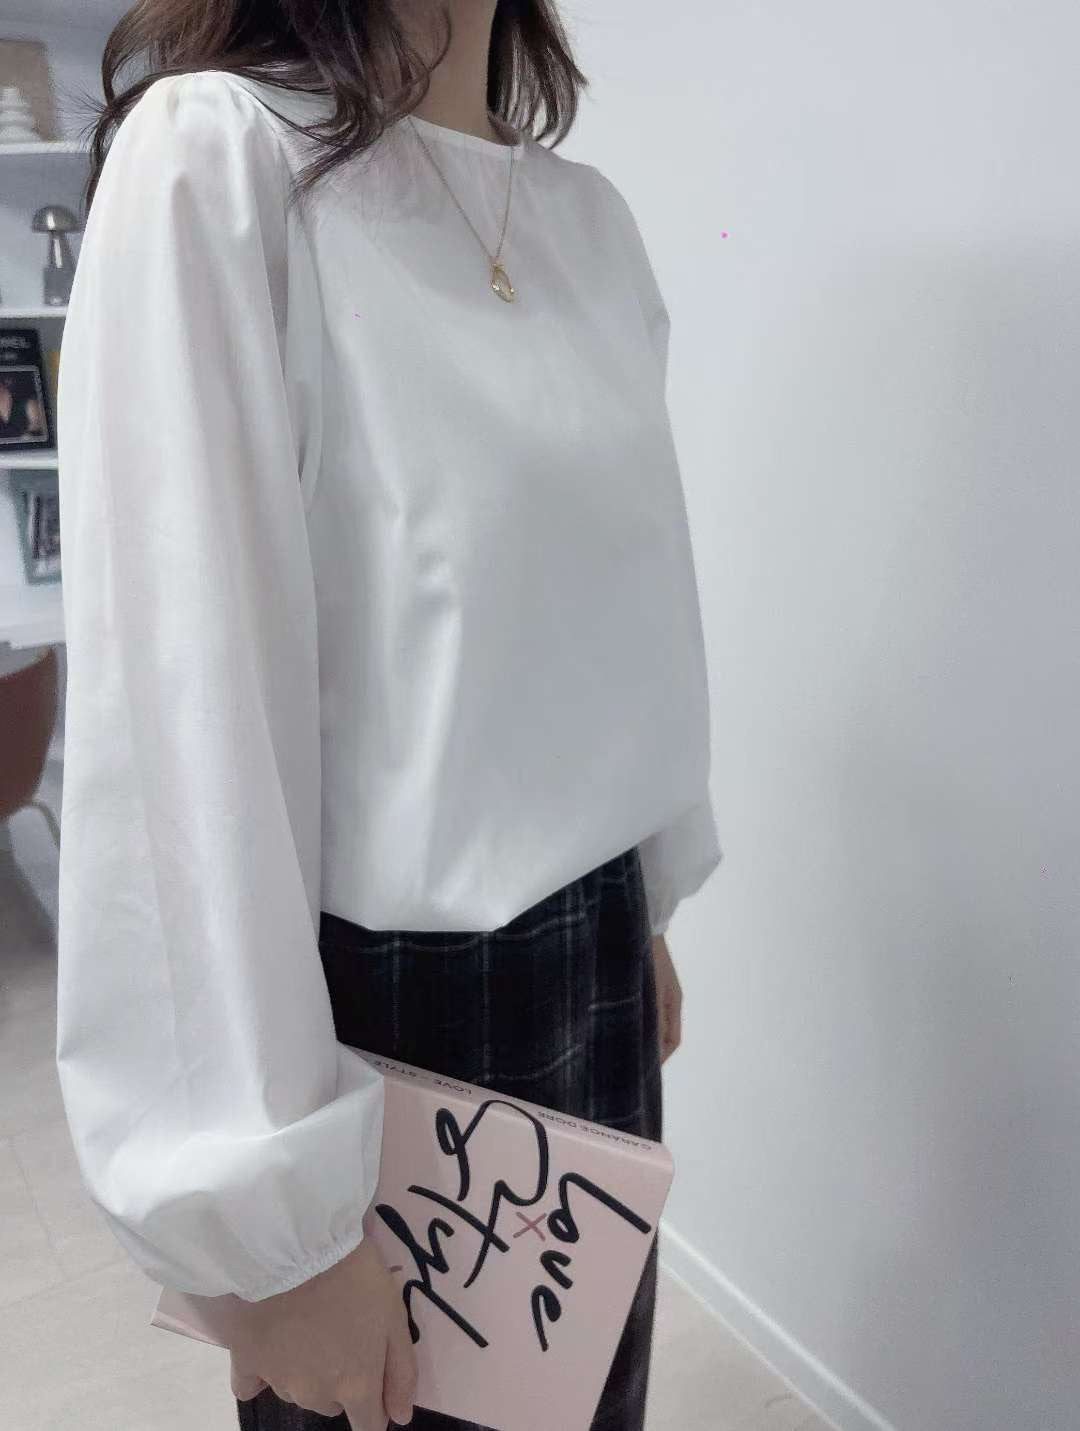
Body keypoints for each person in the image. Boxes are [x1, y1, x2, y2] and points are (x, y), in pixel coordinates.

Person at [55, 2, 723, 1428]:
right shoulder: (221, 161)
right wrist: (261, 1215)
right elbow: (178, 721)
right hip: (378, 1019)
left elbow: (610, 609)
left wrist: (646, 897)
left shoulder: (588, 223)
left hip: (592, 963)